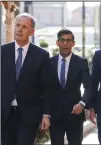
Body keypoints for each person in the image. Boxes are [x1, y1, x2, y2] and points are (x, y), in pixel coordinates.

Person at [1, 13, 51, 145]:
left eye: (24, 26)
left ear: (32, 31)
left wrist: (46, 114)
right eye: (17, 25)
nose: (19, 29)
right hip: (4, 113)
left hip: (29, 114)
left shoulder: (41, 55)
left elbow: (46, 87)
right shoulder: (2, 51)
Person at [48, 28, 91, 145]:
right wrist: (45, 113)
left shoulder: (81, 62)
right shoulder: (49, 63)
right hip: (55, 114)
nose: (65, 43)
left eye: (68, 40)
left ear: (73, 43)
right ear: (57, 42)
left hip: (75, 114)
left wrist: (82, 104)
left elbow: (89, 86)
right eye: (62, 40)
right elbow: (45, 89)